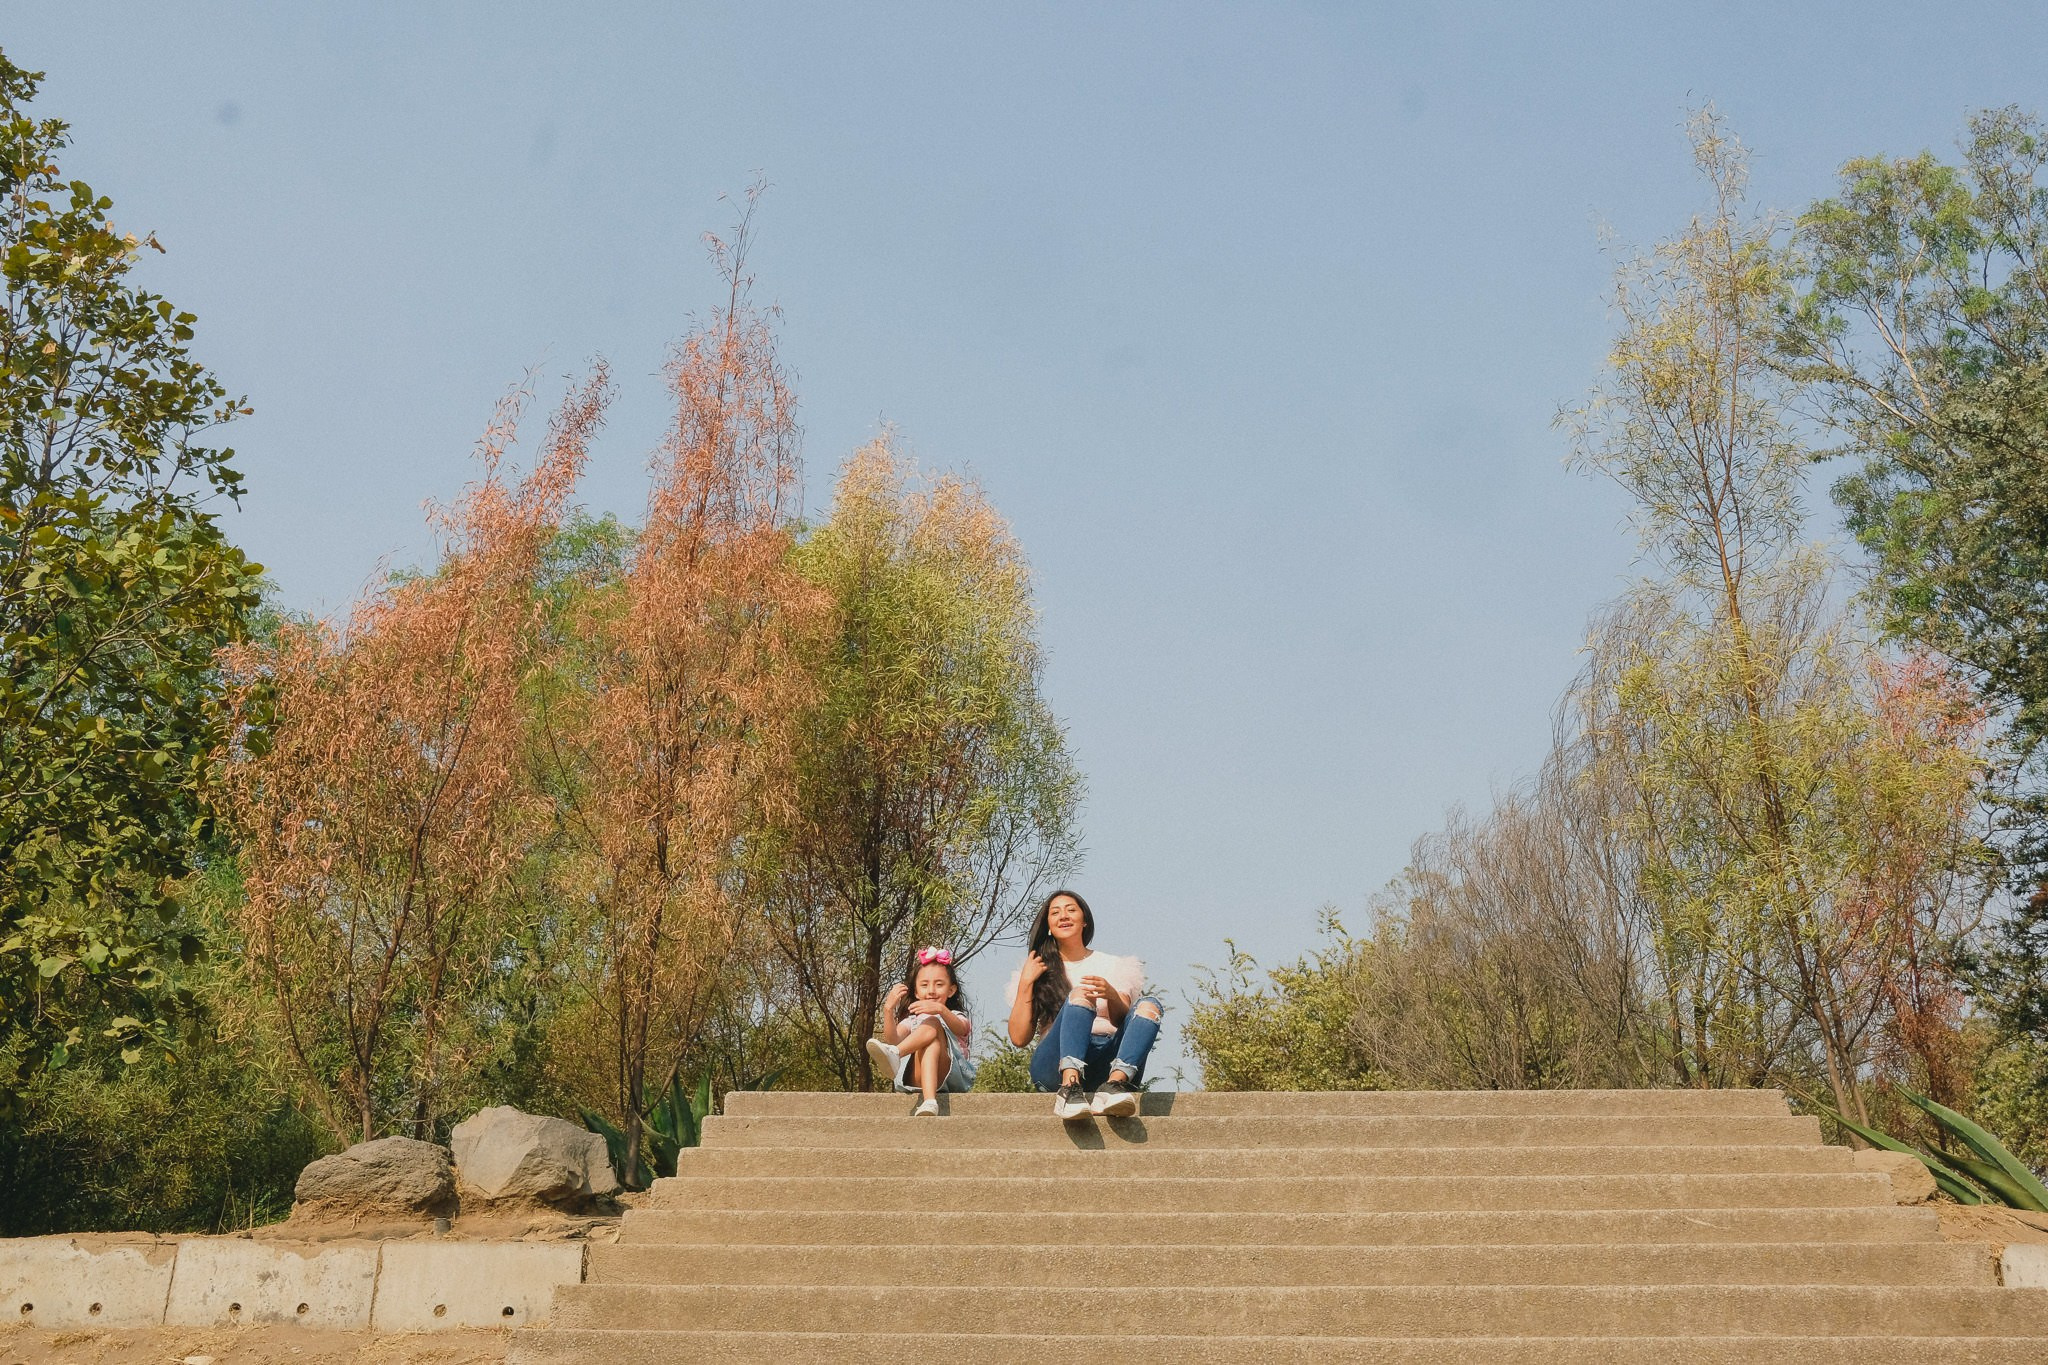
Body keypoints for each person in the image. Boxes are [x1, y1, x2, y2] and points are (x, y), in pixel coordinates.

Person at [1005, 889, 1163, 1120]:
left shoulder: (1114, 964)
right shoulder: (1036, 968)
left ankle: (1114, 1086)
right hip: (1053, 1065)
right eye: (1055, 912)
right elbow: (1019, 1039)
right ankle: (1069, 1087)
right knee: (1081, 994)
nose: (1064, 916)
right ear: (1048, 924)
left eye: (1071, 910)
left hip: (1106, 1061)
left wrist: (1110, 994)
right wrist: (1026, 982)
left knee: (1150, 1005)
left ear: (1084, 921)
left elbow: (1122, 1021)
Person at [867, 946, 976, 1116]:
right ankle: (930, 1101)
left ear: (951, 990)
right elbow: (893, 1039)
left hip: (950, 1076)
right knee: (928, 1039)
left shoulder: (954, 1015)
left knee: (932, 1032)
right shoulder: (913, 1020)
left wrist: (940, 1009)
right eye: (924, 985)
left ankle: (896, 1055)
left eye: (939, 984)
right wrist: (888, 1010)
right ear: (916, 992)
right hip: (915, 1076)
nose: (931, 990)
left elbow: (961, 1028)